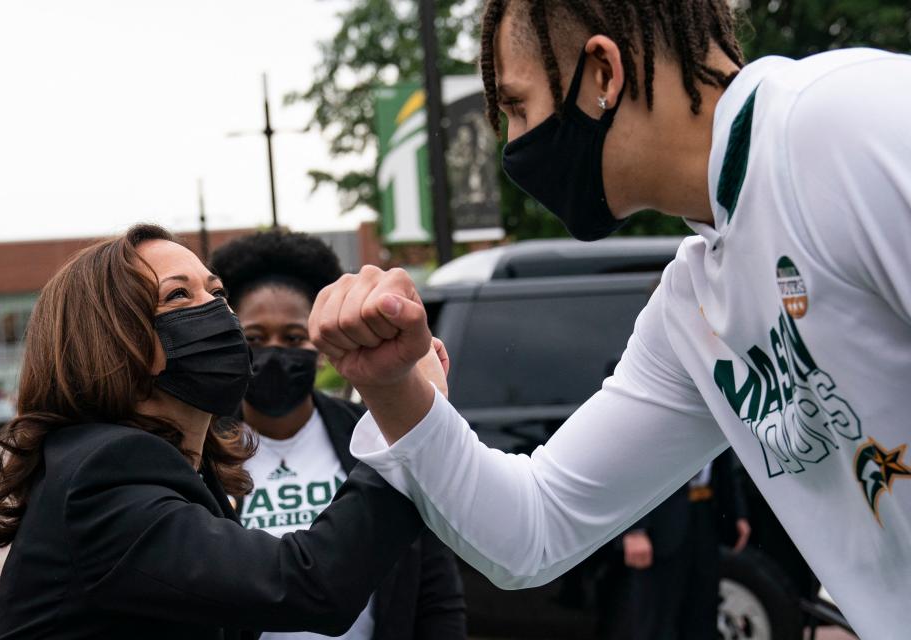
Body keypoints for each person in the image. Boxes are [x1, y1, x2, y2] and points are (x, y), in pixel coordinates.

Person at [305, 1, 911, 637]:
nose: (514, 146)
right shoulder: (695, 300)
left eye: (517, 107)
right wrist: (395, 387)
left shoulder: (845, 125)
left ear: (602, 73)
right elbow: (535, 530)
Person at [0, 224, 446, 640]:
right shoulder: (101, 475)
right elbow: (310, 585)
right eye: (180, 296)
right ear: (114, 341)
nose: (222, 315)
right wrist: (408, 420)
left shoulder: (190, 470)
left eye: (216, 294)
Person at [209, 230, 466, 640]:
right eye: (255, 338)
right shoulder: (202, 453)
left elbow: (435, 590)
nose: (275, 352)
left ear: (321, 345)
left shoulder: (376, 434)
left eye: (293, 338)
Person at [600, 451, 750, 640]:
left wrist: (737, 510)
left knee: (702, 616)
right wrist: (634, 528)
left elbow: (723, 449)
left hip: (705, 514)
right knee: (656, 620)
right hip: (659, 520)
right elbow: (629, 457)